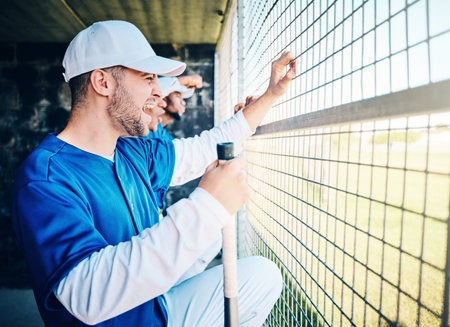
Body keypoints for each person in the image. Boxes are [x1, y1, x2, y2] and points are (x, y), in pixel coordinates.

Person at [12, 20, 296, 326]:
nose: (158, 92)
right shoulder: (45, 177)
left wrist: (270, 95)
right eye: (148, 78)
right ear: (102, 82)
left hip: (156, 308)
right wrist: (206, 206)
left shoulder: (131, 150)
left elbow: (204, 148)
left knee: (262, 276)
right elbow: (86, 295)